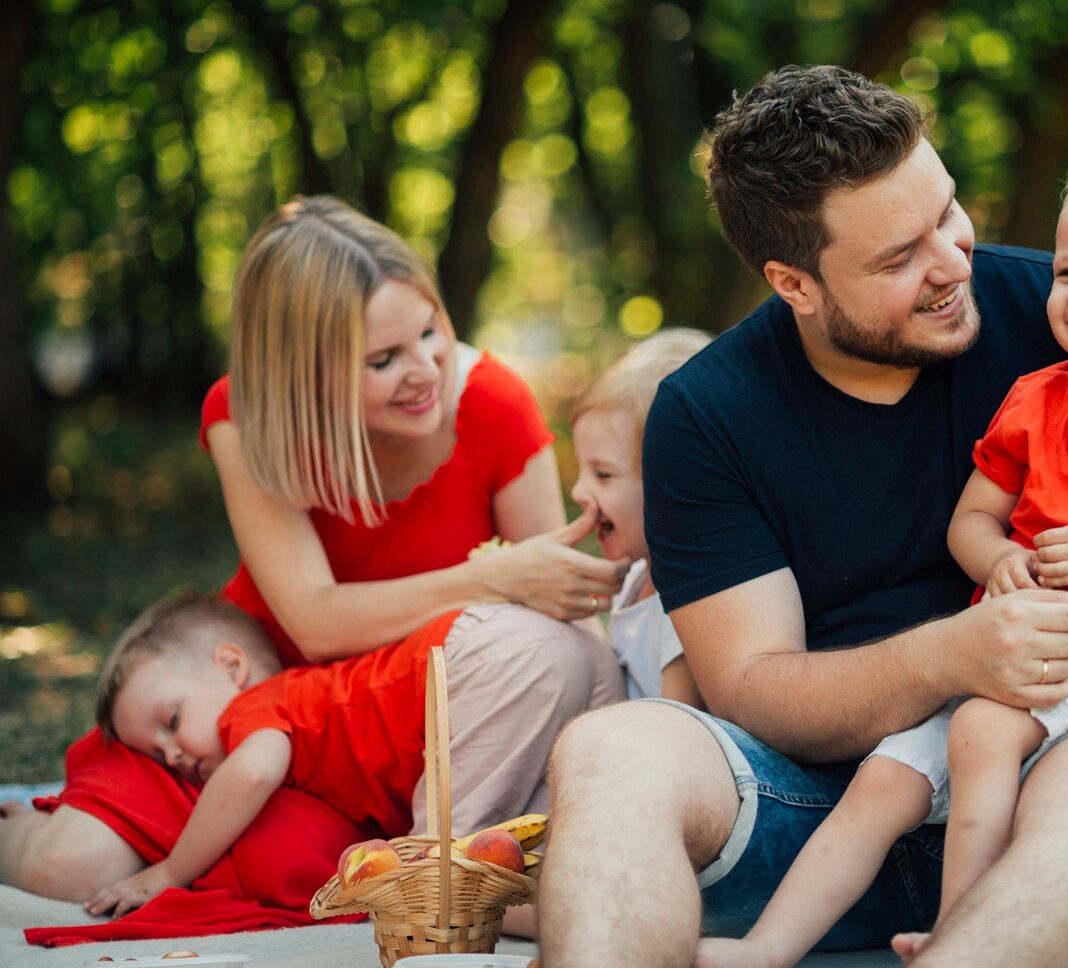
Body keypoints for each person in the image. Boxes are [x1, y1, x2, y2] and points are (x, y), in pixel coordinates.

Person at [535, 66, 1068, 968]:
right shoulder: (706, 411)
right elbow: (750, 684)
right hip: (809, 819)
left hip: (1058, 784)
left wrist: (1063, 645)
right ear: (794, 280)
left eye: (947, 212)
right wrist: (954, 657)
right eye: (898, 256)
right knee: (609, 748)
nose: (953, 261)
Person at [687, 152, 1068, 968]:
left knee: (984, 731)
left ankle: (955, 928)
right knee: (885, 779)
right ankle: (765, 949)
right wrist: (999, 558)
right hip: (996, 661)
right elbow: (973, 517)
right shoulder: (1037, 397)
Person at [0, 196, 627, 907]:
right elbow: (315, 622)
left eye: (430, 332)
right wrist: (490, 577)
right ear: (304, 372)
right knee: (70, 867)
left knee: (310, 869)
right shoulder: (248, 416)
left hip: (413, 743)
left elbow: (558, 619)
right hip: (257, 717)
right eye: (383, 359)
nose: (423, 369)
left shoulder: (493, 406)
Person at [81, 591, 621, 918]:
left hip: (477, 665)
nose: (174, 754)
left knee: (437, 882)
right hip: (555, 648)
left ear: (231, 666)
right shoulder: (303, 708)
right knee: (564, 831)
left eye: (172, 723)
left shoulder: (252, 709)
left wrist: (171, 871)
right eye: (156, 754)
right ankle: (630, 885)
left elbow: (250, 773)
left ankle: (597, 913)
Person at [569, 328, 712, 706]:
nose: (578, 492)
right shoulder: (634, 577)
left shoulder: (685, 605)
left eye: (603, 475)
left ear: (671, 483)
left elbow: (673, 728)